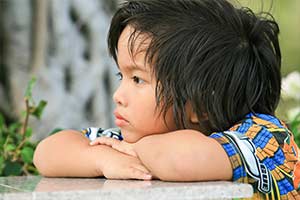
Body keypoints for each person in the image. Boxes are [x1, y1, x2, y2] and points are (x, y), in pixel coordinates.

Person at [33, 0, 300, 199]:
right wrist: (102, 159)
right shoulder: (137, 143)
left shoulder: (263, 137)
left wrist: (133, 151)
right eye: (121, 76)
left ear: (201, 104)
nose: (117, 95)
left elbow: (182, 160)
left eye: (137, 79)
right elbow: (47, 152)